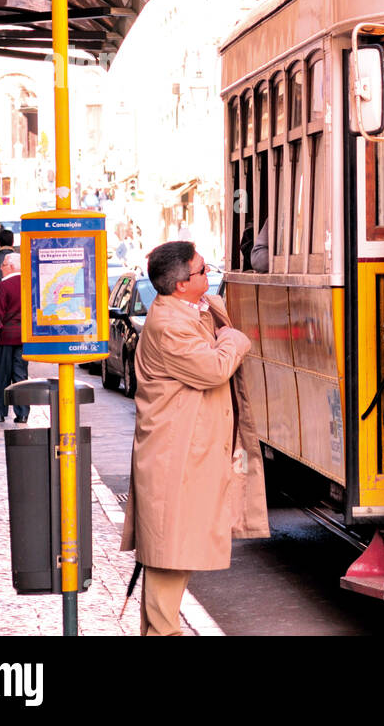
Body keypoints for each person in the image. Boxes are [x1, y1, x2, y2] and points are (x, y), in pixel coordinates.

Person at [120, 241, 269, 636]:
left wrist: (215, 316)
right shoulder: (169, 324)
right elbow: (214, 368)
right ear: (181, 284)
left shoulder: (189, 310)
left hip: (186, 453)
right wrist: (234, 340)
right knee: (169, 556)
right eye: (203, 271)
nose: (210, 276)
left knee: (176, 552)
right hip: (175, 457)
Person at [0, 252, 28, 422]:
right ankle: (22, 413)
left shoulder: (4, 286)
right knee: (20, 375)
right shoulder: (30, 284)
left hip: (6, 338)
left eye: (2, 265)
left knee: (2, 375)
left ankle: (0, 412)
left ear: (11, 266)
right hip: (24, 338)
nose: (1, 269)